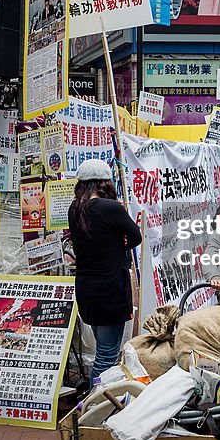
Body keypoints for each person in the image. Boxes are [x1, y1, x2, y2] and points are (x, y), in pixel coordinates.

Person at [68, 158, 142, 382]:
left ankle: (98, 403)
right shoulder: (110, 208)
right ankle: (93, 407)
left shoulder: (75, 209)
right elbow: (136, 236)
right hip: (110, 288)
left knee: (103, 348)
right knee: (107, 356)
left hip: (87, 288)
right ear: (104, 183)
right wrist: (120, 247)